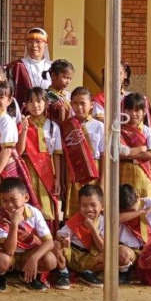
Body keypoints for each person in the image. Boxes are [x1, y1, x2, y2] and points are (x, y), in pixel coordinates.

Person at [0, 80, 36, 222]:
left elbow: (7, 150)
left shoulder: (7, 122)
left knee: (5, 213)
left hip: (3, 173)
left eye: (1, 97)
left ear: (9, 100)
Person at [0, 177, 57, 291]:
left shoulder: (34, 213)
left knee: (50, 260)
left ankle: (29, 275)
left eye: (13, 200)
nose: (9, 205)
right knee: (1, 260)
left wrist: (34, 258)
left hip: (27, 253)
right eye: (5, 201)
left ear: (26, 198)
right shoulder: (0, 215)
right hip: (8, 254)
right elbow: (9, 251)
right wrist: (14, 224)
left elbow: (49, 242)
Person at [53, 184, 123, 288]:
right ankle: (63, 273)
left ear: (102, 206)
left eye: (93, 205)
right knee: (55, 244)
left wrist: (92, 228)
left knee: (111, 256)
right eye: (84, 206)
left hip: (91, 257)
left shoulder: (104, 222)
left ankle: (87, 273)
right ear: (79, 206)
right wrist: (64, 240)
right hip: (72, 255)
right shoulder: (76, 219)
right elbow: (59, 235)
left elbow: (103, 248)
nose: (89, 209)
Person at [17, 87, 63, 225]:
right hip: (27, 170)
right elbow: (19, 151)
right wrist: (24, 130)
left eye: (39, 101)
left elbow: (56, 155)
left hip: (47, 171)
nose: (35, 105)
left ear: (46, 103)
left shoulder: (53, 126)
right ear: (25, 105)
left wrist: (57, 179)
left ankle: (48, 234)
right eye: (31, 102)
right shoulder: (22, 124)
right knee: (28, 204)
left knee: (46, 205)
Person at [61, 87, 104, 217]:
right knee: (74, 212)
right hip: (73, 172)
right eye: (75, 103)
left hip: (93, 171)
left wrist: (102, 182)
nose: (79, 107)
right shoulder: (66, 126)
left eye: (82, 103)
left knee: (92, 210)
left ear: (91, 105)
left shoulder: (99, 126)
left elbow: (104, 155)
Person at [119, 92, 151, 199]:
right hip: (122, 175)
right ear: (123, 111)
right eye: (129, 110)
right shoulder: (118, 130)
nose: (133, 114)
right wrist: (141, 149)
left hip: (143, 175)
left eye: (137, 110)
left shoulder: (148, 131)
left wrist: (127, 154)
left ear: (144, 112)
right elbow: (114, 154)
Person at [93, 63, 151, 128]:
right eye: (110, 74)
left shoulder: (140, 99)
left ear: (125, 75)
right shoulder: (99, 99)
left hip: (135, 134)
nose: (115, 77)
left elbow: (147, 126)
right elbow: (98, 124)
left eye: (119, 73)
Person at [6, 27, 52, 105]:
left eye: (38, 42)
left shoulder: (52, 67)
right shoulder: (17, 66)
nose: (34, 45)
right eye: (30, 42)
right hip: (23, 110)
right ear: (26, 44)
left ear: (45, 44)